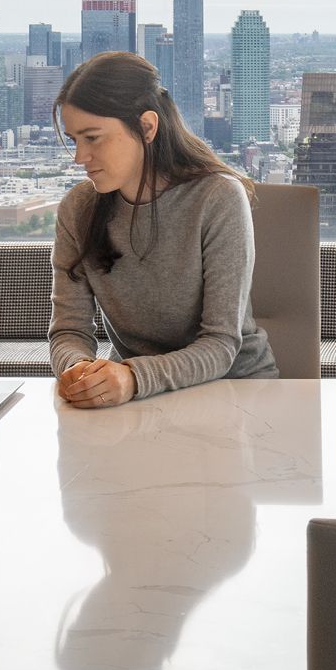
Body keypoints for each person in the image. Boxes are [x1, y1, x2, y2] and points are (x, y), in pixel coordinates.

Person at [49, 51, 275, 408]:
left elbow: (220, 345)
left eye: (92, 137)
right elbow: (69, 330)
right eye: (74, 139)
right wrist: (78, 369)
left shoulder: (218, 197)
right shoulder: (77, 209)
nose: (79, 157)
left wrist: (133, 377)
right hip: (136, 398)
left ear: (147, 127)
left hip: (234, 392)